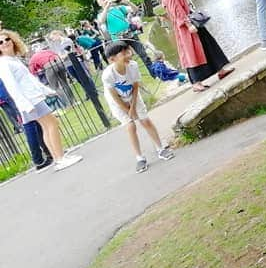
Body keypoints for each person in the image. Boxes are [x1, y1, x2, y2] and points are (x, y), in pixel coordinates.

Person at [0, 31, 83, 171]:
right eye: (0, 42)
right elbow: (12, 86)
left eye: (7, 39)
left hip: (33, 97)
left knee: (47, 126)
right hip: (30, 100)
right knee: (52, 124)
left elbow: (29, 79)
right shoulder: (4, 64)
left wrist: (47, 91)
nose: (5, 43)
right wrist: (25, 104)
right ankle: (60, 158)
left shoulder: (13, 60)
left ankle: (58, 157)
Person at [156, 0, 234, 92]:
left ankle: (220, 70)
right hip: (186, 26)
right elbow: (176, 11)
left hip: (192, 21)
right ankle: (195, 82)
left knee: (208, 45)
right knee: (191, 52)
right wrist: (188, 24)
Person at [101, 41, 174, 173]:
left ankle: (160, 148)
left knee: (145, 120)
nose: (129, 55)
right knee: (130, 126)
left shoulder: (132, 66)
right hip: (117, 102)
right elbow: (113, 96)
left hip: (132, 95)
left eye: (128, 51)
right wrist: (127, 110)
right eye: (124, 54)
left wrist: (133, 107)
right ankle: (139, 158)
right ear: (112, 59)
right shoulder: (108, 75)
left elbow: (135, 86)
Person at [0, 73, 52, 170]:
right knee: (31, 124)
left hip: (5, 97)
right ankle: (43, 156)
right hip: (10, 95)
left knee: (31, 123)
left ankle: (45, 154)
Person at [96, 0, 157, 74]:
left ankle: (154, 73)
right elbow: (101, 21)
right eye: (103, 0)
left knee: (143, 54)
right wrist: (106, 8)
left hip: (130, 34)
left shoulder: (118, 8)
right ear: (100, 4)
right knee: (124, 59)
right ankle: (131, 78)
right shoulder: (101, 14)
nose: (106, 1)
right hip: (118, 39)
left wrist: (128, 2)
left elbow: (135, 10)